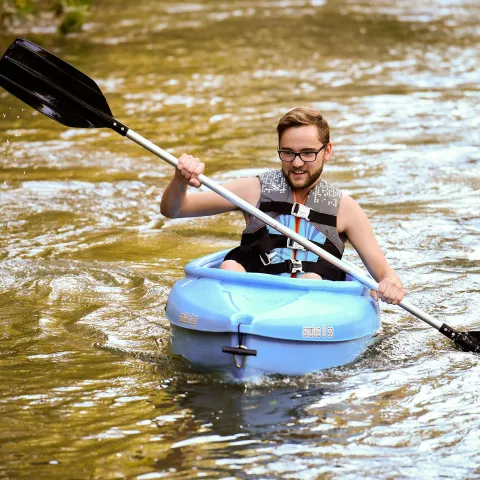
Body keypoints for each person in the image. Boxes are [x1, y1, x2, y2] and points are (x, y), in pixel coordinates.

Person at [160, 107, 406, 305]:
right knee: (230, 266)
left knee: (311, 278)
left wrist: (390, 286)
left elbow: (386, 274)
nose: (297, 163)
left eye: (308, 153)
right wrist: (180, 180)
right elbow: (175, 210)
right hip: (250, 301)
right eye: (288, 153)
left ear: (327, 151)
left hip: (311, 308)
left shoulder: (346, 209)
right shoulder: (252, 190)